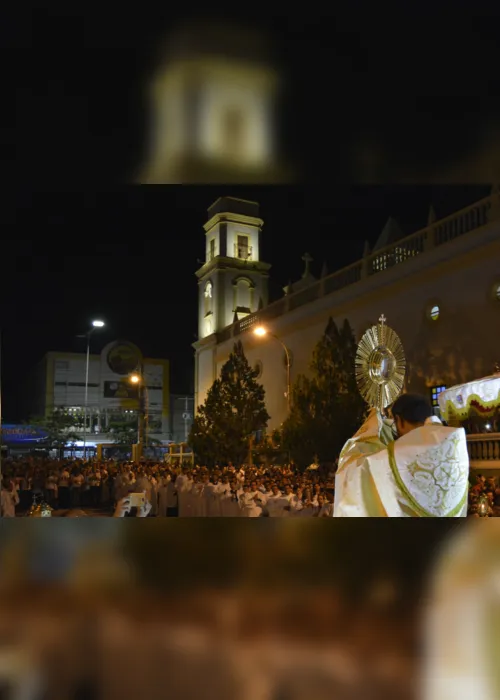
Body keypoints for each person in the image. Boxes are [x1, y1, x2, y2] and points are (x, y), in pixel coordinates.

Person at [334, 393, 470, 517]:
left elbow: (354, 468)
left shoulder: (398, 457)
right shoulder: (453, 447)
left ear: (399, 420)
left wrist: (373, 420)